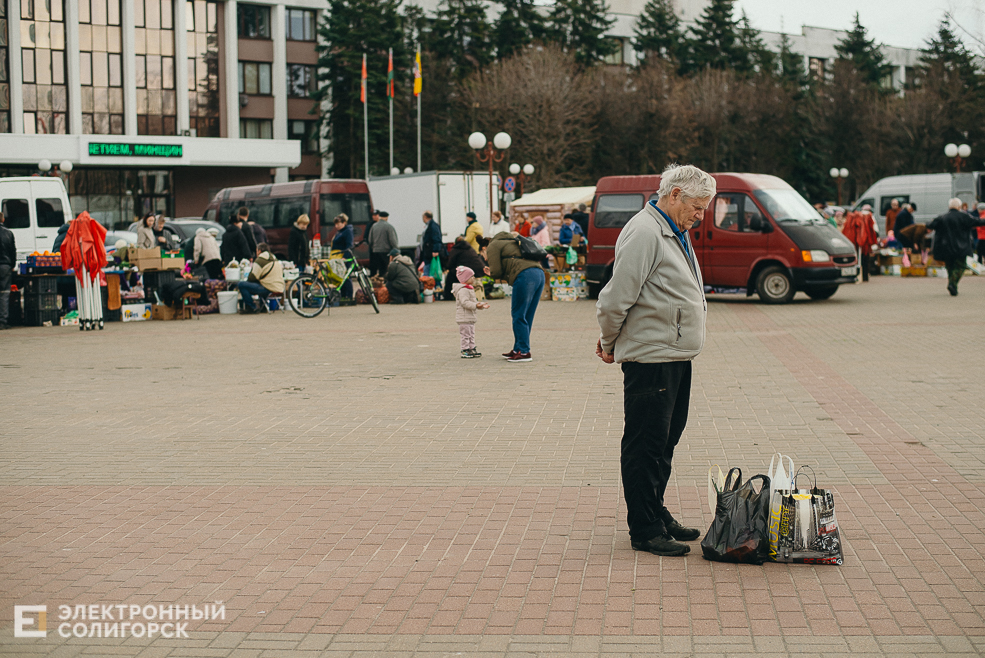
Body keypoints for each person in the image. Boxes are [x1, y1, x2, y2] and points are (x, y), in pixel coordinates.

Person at [595, 163, 714, 558]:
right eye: (697, 207)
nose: (701, 216)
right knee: (646, 443)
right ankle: (644, 528)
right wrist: (608, 341)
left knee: (665, 441)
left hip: (674, 353)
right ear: (674, 194)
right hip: (651, 357)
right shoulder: (646, 231)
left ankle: (655, 511)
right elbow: (615, 297)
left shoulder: (672, 228)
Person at [487, 231, 545, 362]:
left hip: (525, 275)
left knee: (518, 314)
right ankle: (518, 348)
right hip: (539, 274)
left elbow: (496, 271)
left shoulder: (494, 245)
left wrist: (490, 272)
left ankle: (524, 351)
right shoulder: (513, 242)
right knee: (527, 315)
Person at [928, 197, 985, 296]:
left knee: (950, 266)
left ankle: (953, 285)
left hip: (945, 246)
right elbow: (977, 222)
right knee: (960, 266)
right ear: (959, 206)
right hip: (961, 247)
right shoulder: (964, 216)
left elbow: (930, 225)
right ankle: (952, 284)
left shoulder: (942, 217)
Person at [453, 266, 490, 358]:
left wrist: (480, 305)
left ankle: (472, 348)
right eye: (471, 276)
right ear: (465, 278)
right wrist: (476, 305)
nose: (474, 278)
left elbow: (473, 302)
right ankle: (465, 349)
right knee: (466, 335)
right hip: (464, 317)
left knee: (471, 334)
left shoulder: (469, 288)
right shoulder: (463, 290)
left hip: (470, 317)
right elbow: (465, 303)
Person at [238, 243, 284, 313]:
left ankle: (251, 307)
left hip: (268, 288)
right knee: (263, 282)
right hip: (279, 287)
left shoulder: (260, 260)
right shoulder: (275, 258)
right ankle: (263, 307)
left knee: (241, 284)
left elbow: (252, 277)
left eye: (256, 251)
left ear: (259, 251)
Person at [444, 235, 490, 300]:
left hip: (469, 271)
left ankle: (448, 297)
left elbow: (451, 263)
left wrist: (447, 267)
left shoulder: (456, 249)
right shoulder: (470, 248)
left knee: (451, 276)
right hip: (480, 270)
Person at [842, 206, 879, 282]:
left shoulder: (854, 218)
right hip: (862, 243)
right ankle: (864, 276)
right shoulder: (864, 218)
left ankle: (861, 276)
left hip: (860, 243)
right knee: (864, 258)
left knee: (862, 258)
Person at [367, 210, 398, 277]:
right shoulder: (389, 226)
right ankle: (384, 283)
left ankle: (378, 284)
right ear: (386, 217)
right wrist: (396, 248)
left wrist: (373, 247)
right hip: (385, 251)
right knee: (384, 269)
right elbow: (392, 240)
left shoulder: (374, 226)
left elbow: (370, 240)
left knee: (377, 268)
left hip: (375, 251)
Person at [331, 213, 355, 299]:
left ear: (344, 222)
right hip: (338, 257)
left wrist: (345, 256)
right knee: (341, 276)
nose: (336, 226)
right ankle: (343, 295)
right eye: (335, 224)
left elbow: (349, 245)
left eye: (338, 224)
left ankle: (348, 296)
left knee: (346, 276)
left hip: (344, 257)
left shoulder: (347, 231)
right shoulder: (340, 231)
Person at [0, 211, 14, 330]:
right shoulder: (8, 233)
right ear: (3, 220)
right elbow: (12, 251)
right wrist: (12, 265)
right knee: (4, 294)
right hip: (5, 266)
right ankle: (3, 321)